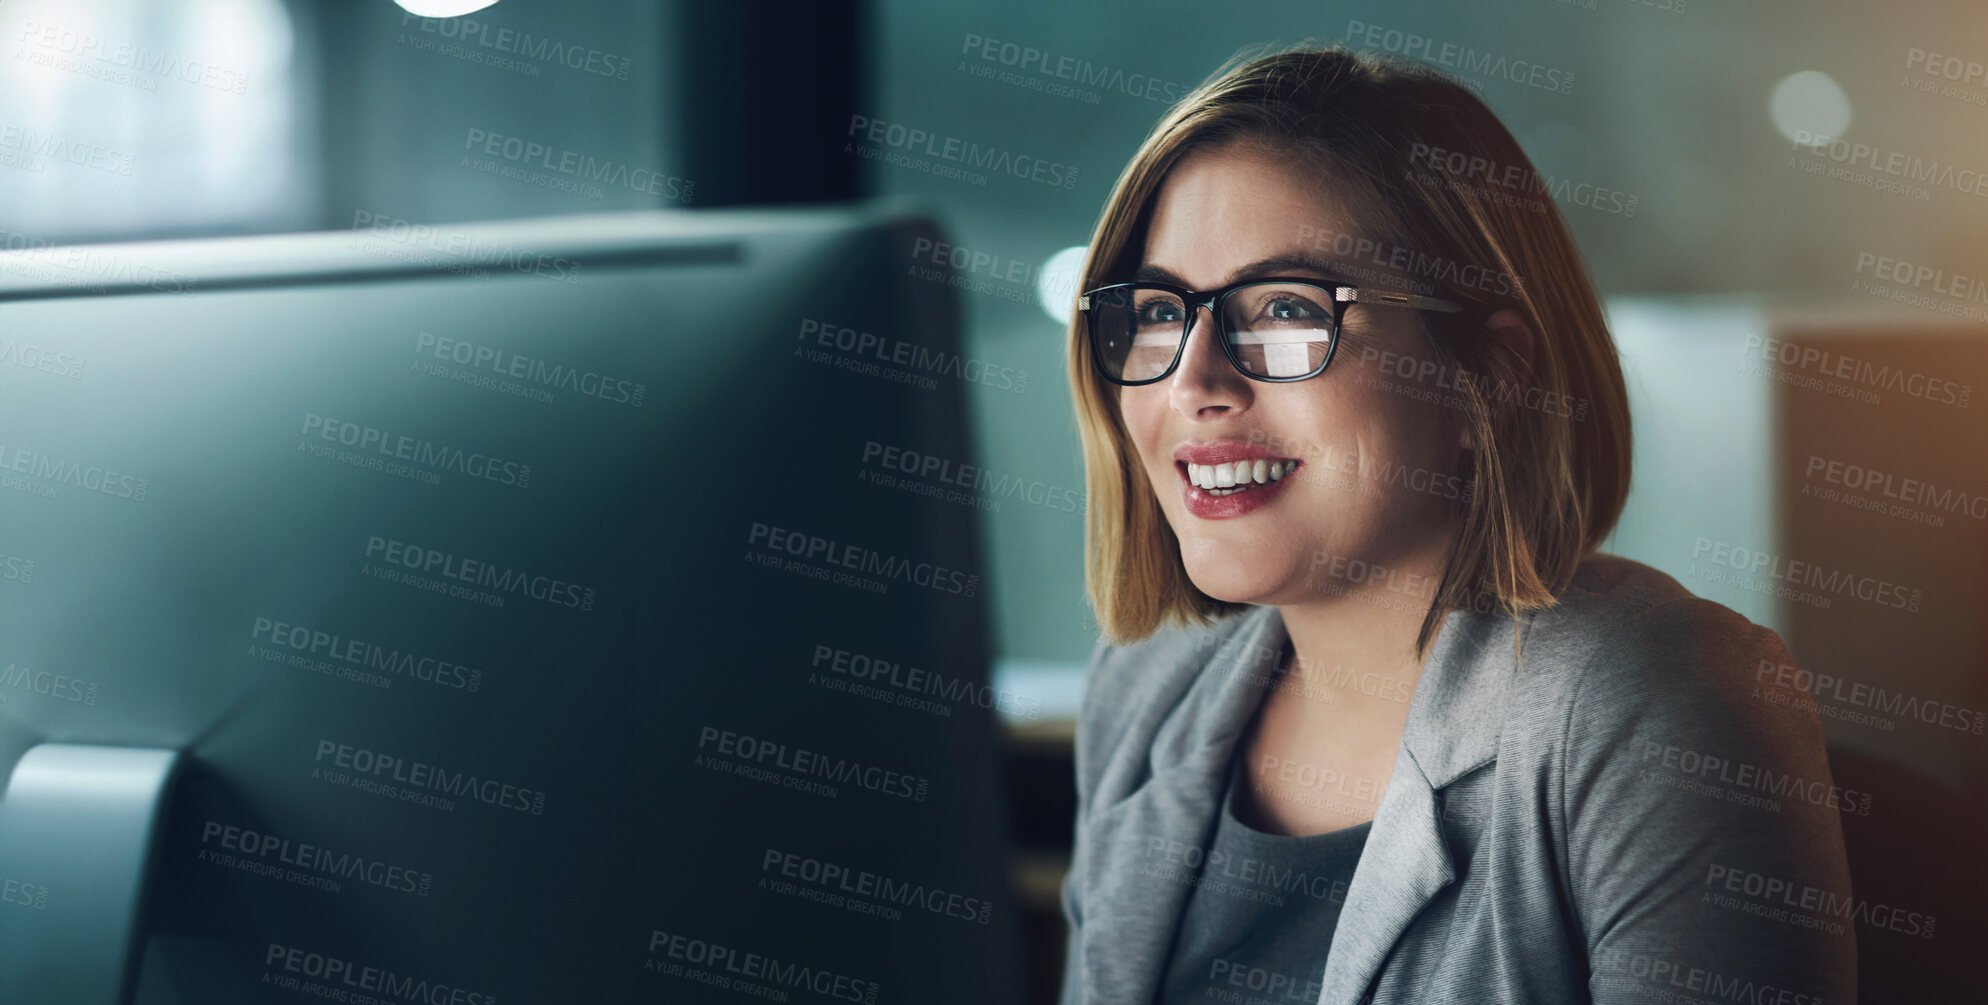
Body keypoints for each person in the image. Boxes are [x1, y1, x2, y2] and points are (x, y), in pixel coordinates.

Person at [1057, 43, 1856, 1005]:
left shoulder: (1657, 704)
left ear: (1487, 371)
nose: (1193, 383)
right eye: (1156, 312)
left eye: (1284, 308)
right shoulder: (1146, 686)